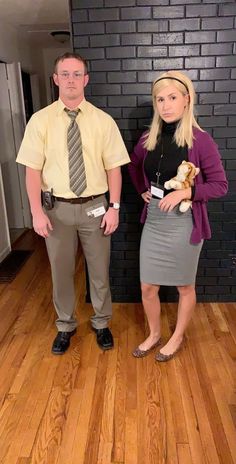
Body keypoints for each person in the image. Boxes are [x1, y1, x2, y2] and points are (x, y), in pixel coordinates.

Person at [17, 52, 130, 355]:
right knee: (61, 270)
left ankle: (102, 323)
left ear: (86, 79)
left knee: (99, 269)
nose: (70, 79)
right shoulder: (40, 121)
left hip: (96, 206)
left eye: (76, 74)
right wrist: (36, 212)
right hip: (57, 209)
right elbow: (32, 171)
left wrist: (115, 208)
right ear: (55, 79)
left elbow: (114, 169)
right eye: (64, 74)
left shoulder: (103, 121)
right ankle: (65, 325)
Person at [128, 70, 228, 362]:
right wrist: (142, 190)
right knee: (148, 286)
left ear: (186, 100)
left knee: (185, 285)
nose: (166, 105)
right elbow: (134, 167)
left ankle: (177, 336)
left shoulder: (201, 140)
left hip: (185, 224)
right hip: (156, 221)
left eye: (172, 98)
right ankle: (155, 333)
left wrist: (185, 193)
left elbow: (220, 185)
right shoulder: (149, 137)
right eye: (160, 99)